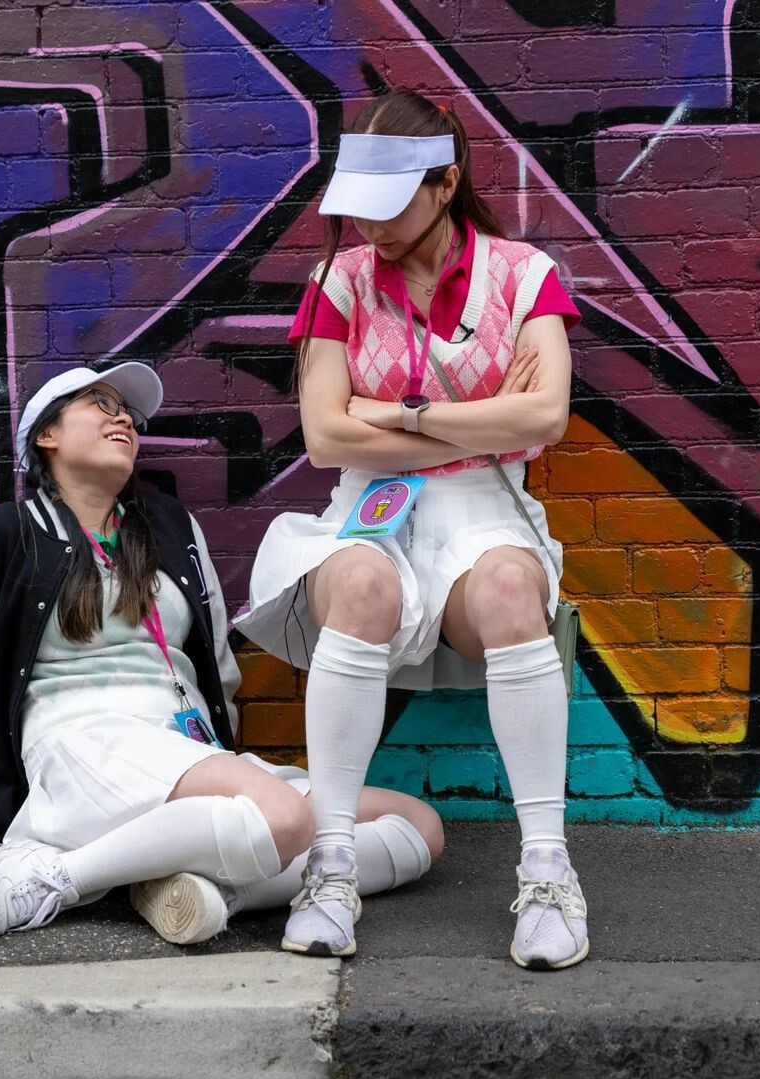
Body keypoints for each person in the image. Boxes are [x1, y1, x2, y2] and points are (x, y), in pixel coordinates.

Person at [0, 363, 443, 947]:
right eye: (100, 405)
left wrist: (221, 764)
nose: (123, 419)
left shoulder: (171, 528)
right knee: (286, 818)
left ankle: (210, 893)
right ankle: (51, 878)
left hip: (178, 749)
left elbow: (216, 663)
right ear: (47, 435)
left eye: (128, 413)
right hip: (81, 747)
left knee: (416, 825)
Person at [233, 90, 585, 969]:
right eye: (360, 207)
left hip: (487, 506)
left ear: (446, 183)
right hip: (370, 505)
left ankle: (549, 874)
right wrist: (484, 418)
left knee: (512, 586)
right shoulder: (339, 280)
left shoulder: (523, 274)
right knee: (360, 584)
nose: (370, 227)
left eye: (390, 206)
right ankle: (332, 868)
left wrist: (400, 413)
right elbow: (325, 436)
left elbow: (545, 417)